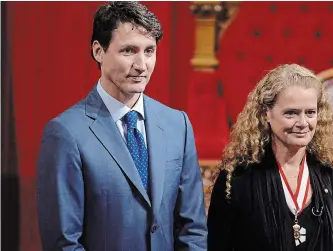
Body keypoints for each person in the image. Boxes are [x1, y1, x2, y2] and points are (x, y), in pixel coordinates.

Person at [36, 2, 207, 250]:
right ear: (99, 51)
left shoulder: (177, 124)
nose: (141, 65)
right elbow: (64, 243)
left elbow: (193, 230)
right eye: (129, 50)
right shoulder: (65, 133)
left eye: (149, 51)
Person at [207, 64, 333, 251]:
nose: (303, 123)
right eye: (291, 113)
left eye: (310, 113)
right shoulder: (236, 178)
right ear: (266, 114)